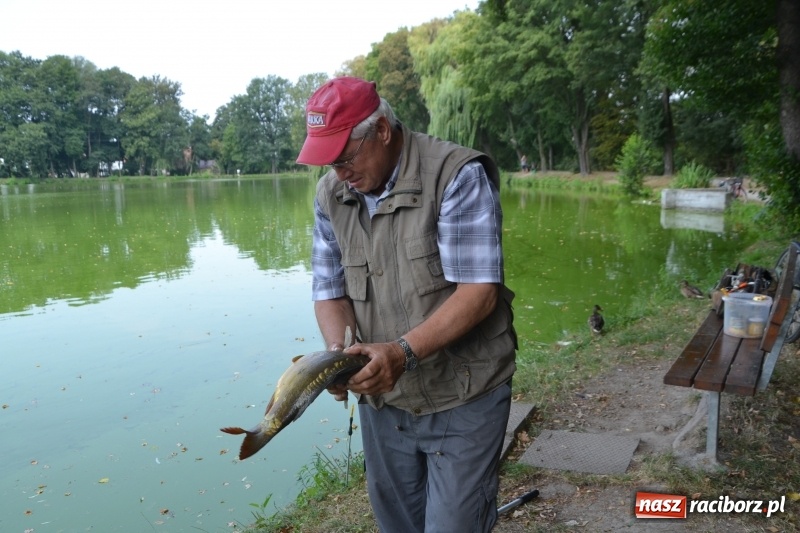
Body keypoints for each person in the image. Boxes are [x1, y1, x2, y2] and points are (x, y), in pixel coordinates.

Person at [296, 76, 517, 533]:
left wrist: (401, 353)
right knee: (397, 525)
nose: (340, 173)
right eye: (329, 161)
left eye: (345, 156)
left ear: (380, 129)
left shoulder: (455, 175)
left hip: (464, 392)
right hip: (384, 403)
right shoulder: (331, 195)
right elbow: (328, 289)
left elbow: (479, 293)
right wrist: (339, 358)